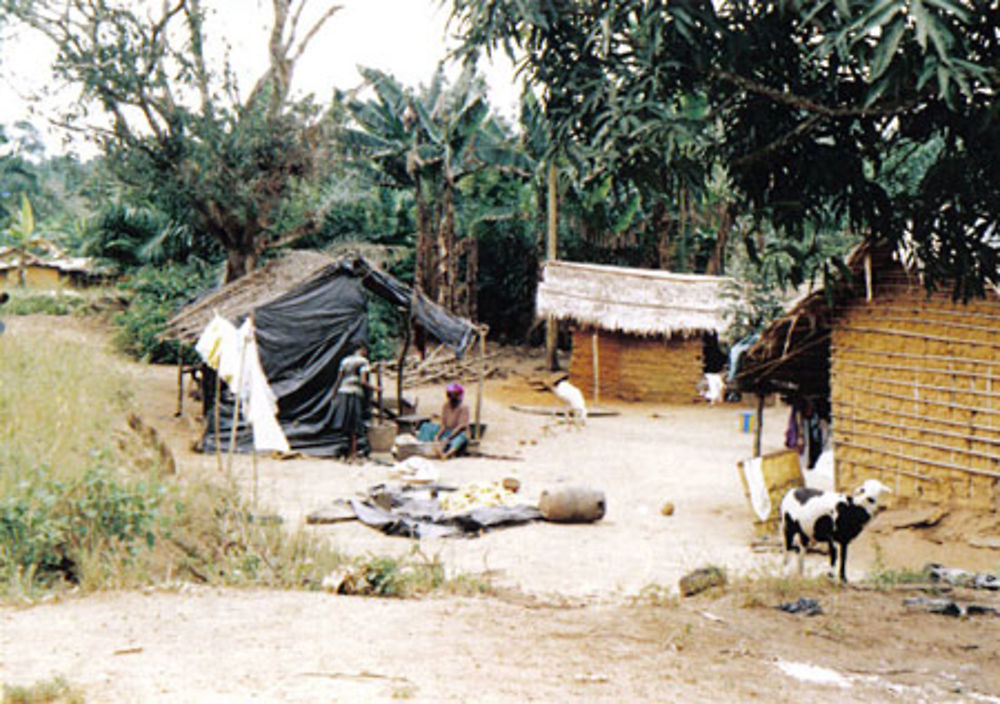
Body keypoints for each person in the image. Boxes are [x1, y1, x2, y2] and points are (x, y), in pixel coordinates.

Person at [331, 344, 371, 462]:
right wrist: (376, 388)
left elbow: (339, 379)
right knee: (355, 425)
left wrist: (334, 393)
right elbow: (363, 382)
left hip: (343, 393)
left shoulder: (345, 361)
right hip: (354, 394)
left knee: (345, 424)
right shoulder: (363, 362)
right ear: (362, 350)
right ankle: (353, 454)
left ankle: (345, 454)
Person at [417, 382, 470, 460]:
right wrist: (437, 436)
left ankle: (446, 454)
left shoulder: (464, 407)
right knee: (426, 426)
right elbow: (443, 425)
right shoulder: (446, 406)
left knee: (461, 437)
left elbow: (461, 426)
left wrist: (448, 438)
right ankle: (423, 447)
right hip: (446, 431)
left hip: (457, 433)